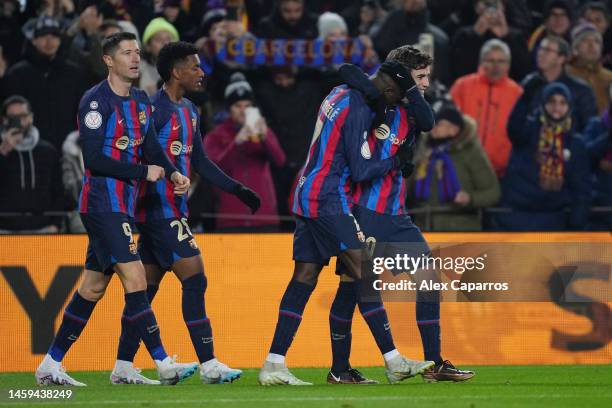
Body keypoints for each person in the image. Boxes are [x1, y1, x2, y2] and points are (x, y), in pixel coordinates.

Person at [257, 46, 432, 386]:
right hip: (328, 196)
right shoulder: (358, 109)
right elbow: (362, 168)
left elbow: (349, 72)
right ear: (389, 90)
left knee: (305, 278)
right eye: (394, 98)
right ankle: (394, 361)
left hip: (306, 190)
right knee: (363, 271)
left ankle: (274, 364)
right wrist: (397, 162)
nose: (393, 105)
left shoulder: (339, 93)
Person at [34, 32, 197, 387]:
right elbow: (93, 160)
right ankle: (163, 362)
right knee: (136, 278)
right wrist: (144, 172)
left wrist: (171, 171)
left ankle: (54, 363)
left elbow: (151, 145)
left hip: (122, 206)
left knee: (92, 288)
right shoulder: (95, 102)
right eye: (127, 53)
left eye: (137, 52)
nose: (136, 58)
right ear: (109, 60)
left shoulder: (139, 99)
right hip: (101, 205)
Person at [110, 41, 260, 385]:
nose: (201, 73)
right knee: (195, 279)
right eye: (194, 67)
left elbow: (200, 162)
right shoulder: (154, 109)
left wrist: (236, 189)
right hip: (159, 211)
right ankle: (209, 364)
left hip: (171, 210)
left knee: (144, 292)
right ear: (176, 72)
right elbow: (137, 155)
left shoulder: (190, 110)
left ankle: (122, 366)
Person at [326, 53, 474, 385]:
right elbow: (346, 70)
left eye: (427, 76)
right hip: (362, 209)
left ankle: (434, 363)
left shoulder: (410, 108)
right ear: (402, 76)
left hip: (394, 212)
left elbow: (428, 120)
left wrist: (411, 90)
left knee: (427, 280)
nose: (426, 83)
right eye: (420, 76)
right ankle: (339, 368)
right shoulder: (370, 99)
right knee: (352, 290)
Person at [498, 82, 591, 231]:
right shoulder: (528, 131)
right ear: (543, 104)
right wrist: (525, 99)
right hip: (519, 215)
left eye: (562, 103)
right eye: (551, 101)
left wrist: (577, 222)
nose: (556, 107)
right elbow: (514, 127)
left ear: (569, 107)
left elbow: (581, 185)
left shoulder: (575, 143)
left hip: (555, 217)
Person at [204, 73, 286, 231]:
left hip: (264, 218)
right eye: (238, 106)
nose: (243, 111)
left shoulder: (262, 131)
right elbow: (213, 171)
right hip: (231, 220)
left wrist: (265, 137)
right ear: (229, 109)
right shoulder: (215, 136)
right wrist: (237, 143)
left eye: (247, 106)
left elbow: (280, 161)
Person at [0, 16, 87, 151]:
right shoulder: (17, 74)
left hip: (67, 148)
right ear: (34, 40)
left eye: (54, 36)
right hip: (29, 148)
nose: (49, 41)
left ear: (59, 40)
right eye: (43, 36)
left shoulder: (75, 73)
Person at [409, 104, 500, 231]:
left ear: (454, 128)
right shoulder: (424, 152)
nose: (433, 127)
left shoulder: (471, 152)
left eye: (439, 124)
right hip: (425, 228)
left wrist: (470, 198)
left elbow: (492, 192)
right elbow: (407, 187)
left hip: (461, 230)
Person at [450, 39, 522, 177]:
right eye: (491, 60)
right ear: (481, 62)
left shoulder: (517, 93)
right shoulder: (462, 86)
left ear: (508, 65)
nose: (496, 66)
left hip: (502, 172)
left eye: (501, 61)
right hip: (462, 168)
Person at [0, 95, 65, 233]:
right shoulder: (1, 150)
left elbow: (59, 190)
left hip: (43, 228)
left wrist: (55, 224)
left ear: (31, 117)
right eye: (13, 117)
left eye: (23, 116)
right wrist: (3, 152)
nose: (19, 121)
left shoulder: (47, 151)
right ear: (4, 120)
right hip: (5, 229)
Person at [521, 35, 598, 132]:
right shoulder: (529, 84)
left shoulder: (581, 90)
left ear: (561, 58)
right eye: (540, 49)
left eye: (547, 50)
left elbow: (589, 128)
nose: (540, 53)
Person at [450, 0, 530, 82]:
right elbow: (459, 71)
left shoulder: (517, 37)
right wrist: (475, 36)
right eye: (487, 4)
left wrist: (507, 37)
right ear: (476, 8)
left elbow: (523, 73)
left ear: (503, 7)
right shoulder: (463, 36)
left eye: (495, 4)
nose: (491, 9)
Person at [372, 0, 450, 85]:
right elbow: (379, 53)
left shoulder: (438, 39)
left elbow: (439, 77)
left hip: (422, 87)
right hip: (389, 83)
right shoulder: (393, 21)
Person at [566, 22, 612, 112]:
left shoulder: (609, 77)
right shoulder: (566, 74)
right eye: (585, 40)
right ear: (575, 48)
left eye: (596, 41)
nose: (592, 45)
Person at [140, 17, 179, 96]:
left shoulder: (185, 67)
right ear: (148, 46)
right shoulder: (138, 68)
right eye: (158, 39)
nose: (165, 43)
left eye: (169, 39)